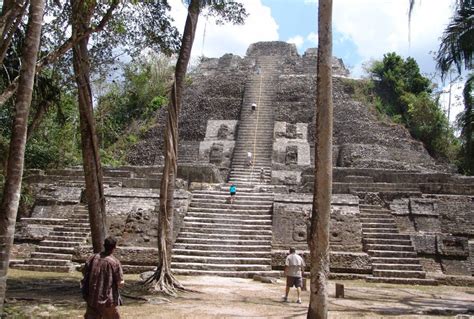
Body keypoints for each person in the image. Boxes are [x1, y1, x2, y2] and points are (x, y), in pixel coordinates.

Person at [82, 236, 124, 319]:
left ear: (104, 245)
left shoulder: (92, 258)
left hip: (92, 298)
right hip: (108, 300)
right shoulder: (114, 262)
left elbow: (84, 272)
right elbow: (120, 282)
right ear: (115, 247)